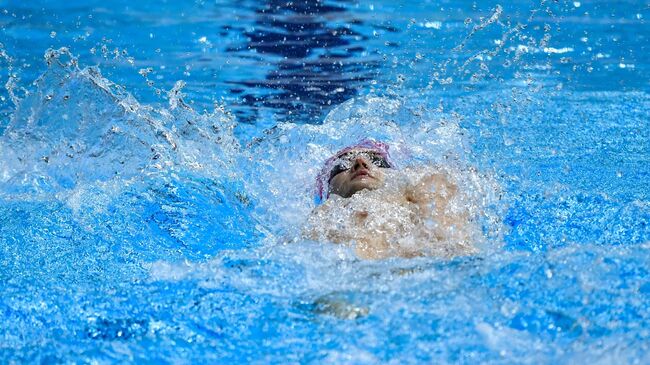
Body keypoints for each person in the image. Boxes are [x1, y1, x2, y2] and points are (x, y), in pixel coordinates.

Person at [306, 139, 481, 259]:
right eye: (342, 164)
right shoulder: (323, 218)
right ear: (327, 190)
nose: (360, 162)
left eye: (377, 160)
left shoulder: (422, 198)